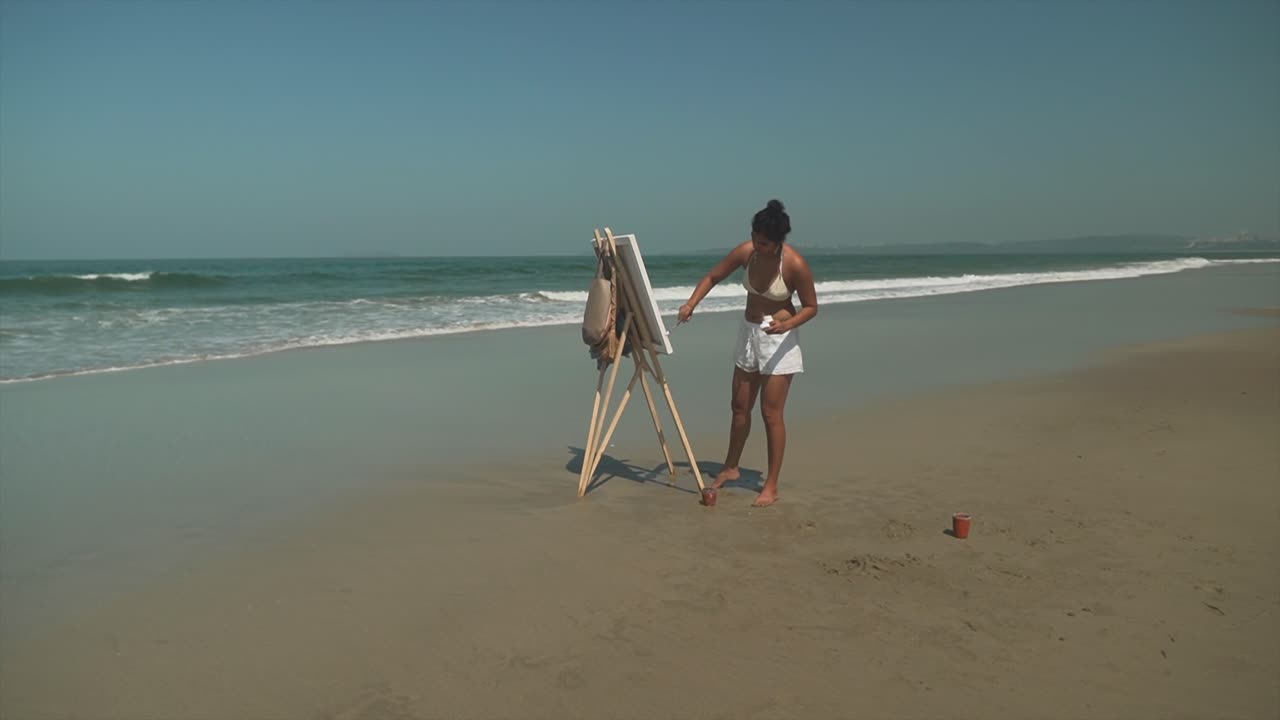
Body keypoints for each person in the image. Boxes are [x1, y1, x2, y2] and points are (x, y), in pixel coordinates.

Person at [677, 199, 818, 506]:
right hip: (748, 333)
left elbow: (811, 307)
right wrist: (691, 304)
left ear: (779, 241)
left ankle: (771, 484)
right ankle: (731, 467)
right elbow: (713, 276)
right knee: (739, 406)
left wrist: (788, 324)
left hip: (779, 341)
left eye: (764, 243)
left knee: (771, 414)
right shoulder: (747, 252)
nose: (757, 246)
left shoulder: (794, 264)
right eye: (754, 239)